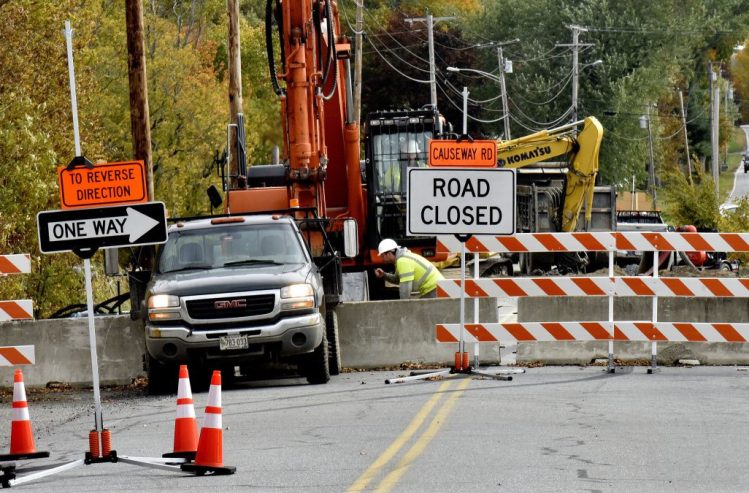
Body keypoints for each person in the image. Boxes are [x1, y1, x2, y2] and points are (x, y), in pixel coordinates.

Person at [374, 238, 444, 299]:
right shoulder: (403, 258)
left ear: (389, 254)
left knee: (420, 313)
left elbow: (405, 290)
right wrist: (384, 275)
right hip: (436, 287)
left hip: (434, 289)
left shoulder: (403, 261)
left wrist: (404, 307)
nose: (382, 258)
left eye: (382, 255)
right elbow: (398, 279)